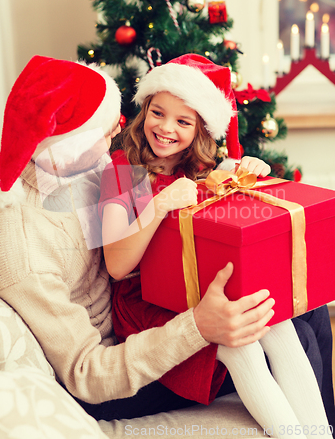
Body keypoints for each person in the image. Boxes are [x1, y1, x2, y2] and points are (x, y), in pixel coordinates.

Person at [0, 54, 278, 421]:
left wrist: (236, 170)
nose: (116, 133)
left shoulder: (81, 163)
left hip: (168, 294)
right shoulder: (116, 174)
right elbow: (91, 360)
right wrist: (198, 326)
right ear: (67, 139)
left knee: (292, 322)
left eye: (183, 121)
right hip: (123, 345)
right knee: (262, 340)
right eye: (104, 130)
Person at [99, 54, 332, 437]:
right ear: (144, 110)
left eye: (183, 121)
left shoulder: (200, 169)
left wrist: (245, 177)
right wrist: (158, 206)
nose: (166, 128)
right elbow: (116, 266)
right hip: (147, 304)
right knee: (241, 348)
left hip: (197, 293)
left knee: (274, 325)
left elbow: (230, 232)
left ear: (200, 129)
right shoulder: (123, 167)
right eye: (158, 113)